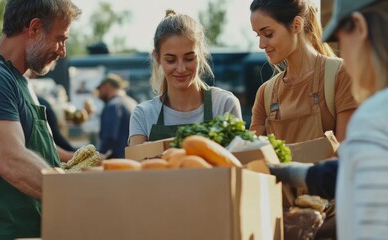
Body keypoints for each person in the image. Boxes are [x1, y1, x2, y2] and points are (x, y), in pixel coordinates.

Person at [0, 0, 81, 239]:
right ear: (34, 28)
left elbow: (35, 153)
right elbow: (10, 159)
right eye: (60, 39)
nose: (62, 51)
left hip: (19, 230)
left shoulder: (19, 81)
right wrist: (76, 199)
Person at [270, 0, 388, 239]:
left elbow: (373, 224)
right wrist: (294, 173)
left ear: (359, 27)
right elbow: (350, 172)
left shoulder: (374, 116)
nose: (341, 53)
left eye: (342, 42)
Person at [249, 0, 358, 143]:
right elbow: (254, 157)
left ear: (297, 25)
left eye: (268, 34)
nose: (261, 45)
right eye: (258, 35)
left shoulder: (341, 75)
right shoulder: (265, 93)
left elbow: (347, 151)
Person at [129, 9, 242, 145]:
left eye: (189, 58)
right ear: (157, 57)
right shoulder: (143, 114)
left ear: (200, 54)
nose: (181, 69)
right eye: (171, 60)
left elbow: (237, 162)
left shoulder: (224, 104)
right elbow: (136, 164)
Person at [96, 73, 137, 158]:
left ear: (107, 86)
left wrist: (98, 156)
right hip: (133, 159)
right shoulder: (132, 102)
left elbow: (109, 137)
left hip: (118, 161)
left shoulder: (112, 106)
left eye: (99, 88)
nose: (98, 92)